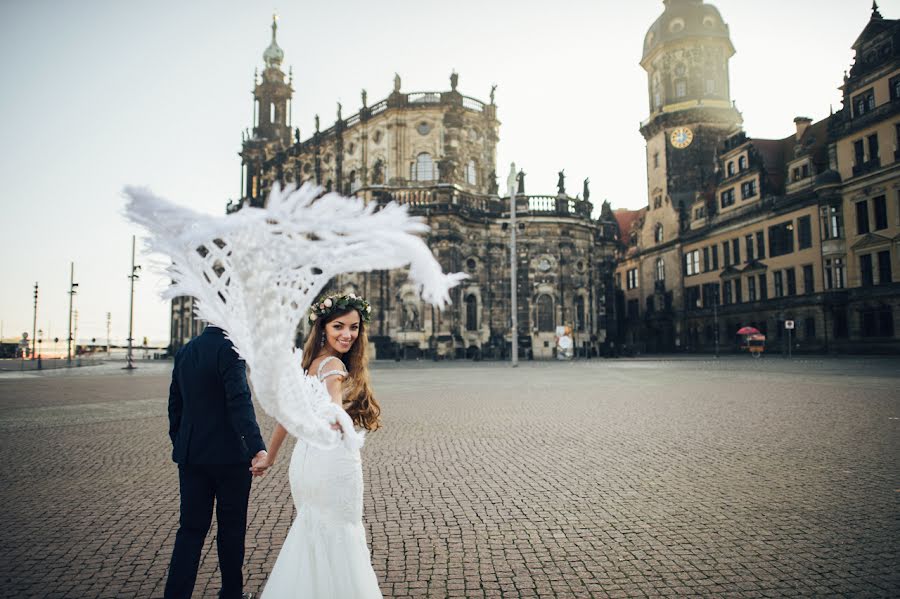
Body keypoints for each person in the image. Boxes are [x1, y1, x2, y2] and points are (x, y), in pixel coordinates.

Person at [258, 293, 383, 598]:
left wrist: (269, 457)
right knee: (341, 534)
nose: (347, 334)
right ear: (323, 327)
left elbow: (286, 418)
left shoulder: (308, 365)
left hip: (304, 462)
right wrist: (339, 423)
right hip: (332, 463)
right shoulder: (334, 368)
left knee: (311, 533)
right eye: (339, 326)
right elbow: (333, 408)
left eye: (354, 328)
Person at [164, 325, 268, 599]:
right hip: (230, 458)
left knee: (190, 530)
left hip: (191, 457)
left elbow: (175, 404)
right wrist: (256, 447)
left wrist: (181, 442)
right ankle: (231, 593)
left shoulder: (186, 350)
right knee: (231, 529)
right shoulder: (230, 349)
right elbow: (239, 401)